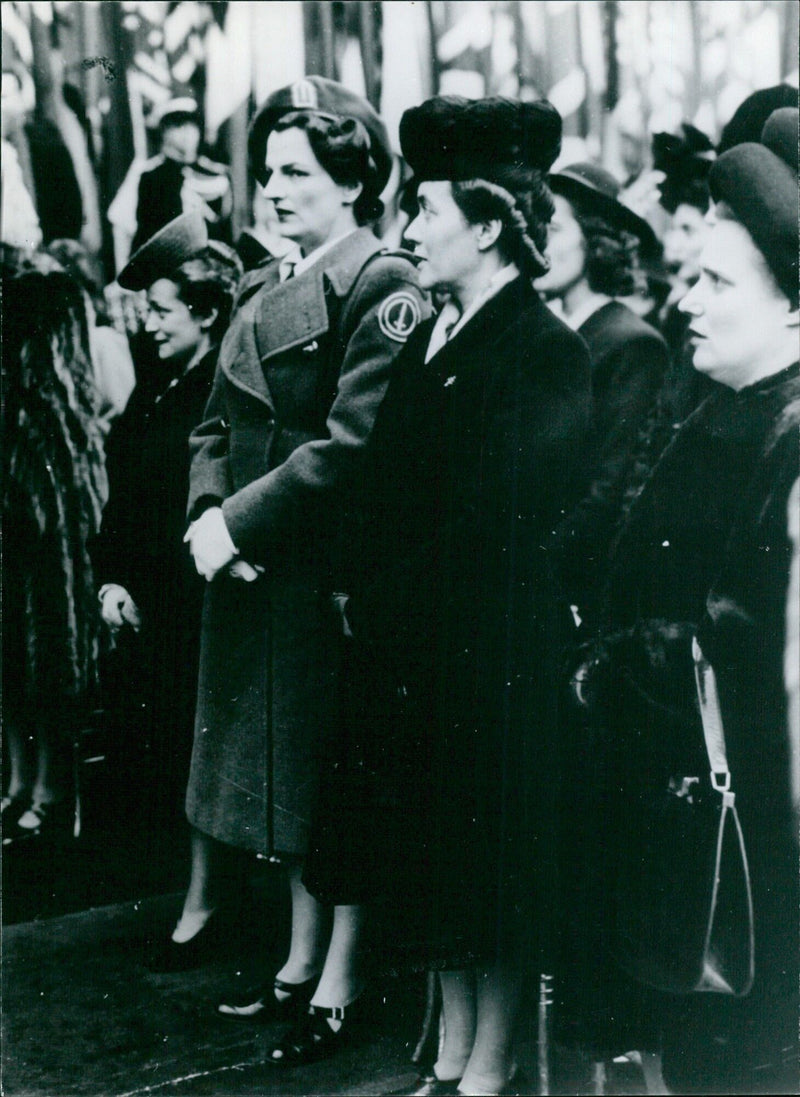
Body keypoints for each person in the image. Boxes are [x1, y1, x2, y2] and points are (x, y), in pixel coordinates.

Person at [338, 94, 593, 1097]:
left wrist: (384, 594)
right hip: (419, 657)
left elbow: (497, 524)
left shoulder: (541, 351)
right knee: (433, 868)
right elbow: (379, 482)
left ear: (487, 224)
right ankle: (447, 1054)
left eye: (427, 211)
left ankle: (485, 1068)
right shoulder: (435, 339)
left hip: (484, 662)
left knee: (482, 883)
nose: (407, 229)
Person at [182, 76, 428, 1052]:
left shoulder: (381, 285)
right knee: (276, 783)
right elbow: (213, 420)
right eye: (270, 173)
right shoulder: (264, 280)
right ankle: (296, 959)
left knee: (317, 782)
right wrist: (209, 508)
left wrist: (238, 523)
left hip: (307, 567)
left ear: (355, 182)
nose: (274, 191)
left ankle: (324, 969)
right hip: (245, 563)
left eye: (299, 173)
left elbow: (346, 444)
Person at [572, 106, 799, 1095]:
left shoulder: (780, 447)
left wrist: (623, 664)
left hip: (749, 876)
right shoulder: (725, 413)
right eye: (687, 278)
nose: (686, 302)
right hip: (687, 848)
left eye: (713, 283)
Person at [91, 213, 241, 966]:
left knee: (198, 752)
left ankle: (207, 903)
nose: (147, 325)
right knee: (168, 752)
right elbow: (123, 496)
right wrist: (113, 575)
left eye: (161, 310)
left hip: (195, 606)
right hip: (146, 606)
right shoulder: (157, 387)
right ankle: (193, 894)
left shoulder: (218, 393)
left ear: (207, 312)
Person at [536, 161, 669, 630]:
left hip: (566, 591)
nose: (537, 242)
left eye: (551, 227)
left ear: (595, 240)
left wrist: (534, 572)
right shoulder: (544, 332)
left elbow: (606, 493)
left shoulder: (629, 342)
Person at [2, 268, 107, 840]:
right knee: (15, 671)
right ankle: (22, 782)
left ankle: (47, 787)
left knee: (46, 672)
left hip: (49, 558)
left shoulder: (53, 406)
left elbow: (70, 498)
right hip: (24, 552)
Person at [108, 98, 232, 271]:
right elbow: (122, 226)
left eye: (192, 126)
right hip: (163, 273)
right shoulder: (149, 176)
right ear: (164, 132)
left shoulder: (216, 174)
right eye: (178, 127)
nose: (187, 135)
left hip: (208, 272)